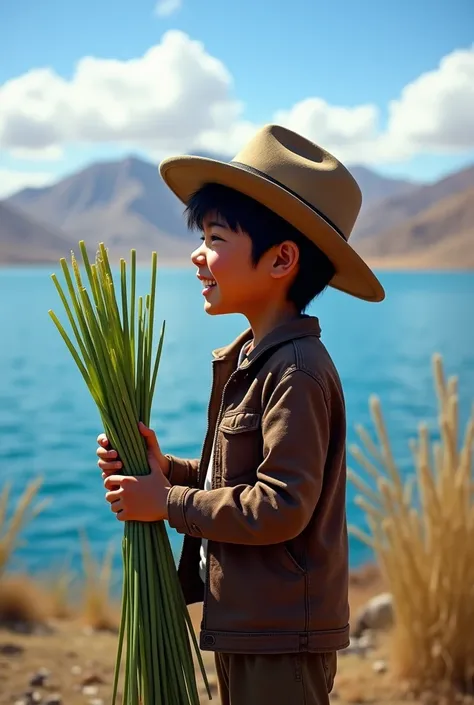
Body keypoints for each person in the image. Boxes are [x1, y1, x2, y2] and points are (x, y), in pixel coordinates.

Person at [96, 124, 385, 705]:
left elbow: (280, 505)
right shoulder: (251, 359)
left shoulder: (296, 371)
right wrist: (168, 470)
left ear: (281, 259)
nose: (198, 256)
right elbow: (236, 479)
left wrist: (168, 505)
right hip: (249, 622)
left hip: (281, 636)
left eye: (216, 238)